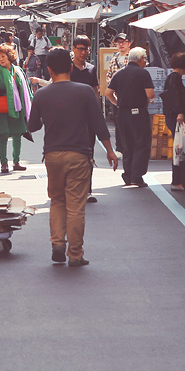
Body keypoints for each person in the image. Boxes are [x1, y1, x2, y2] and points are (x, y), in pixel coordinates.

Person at [27, 47, 118, 267]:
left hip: (52, 155)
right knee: (76, 206)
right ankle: (75, 254)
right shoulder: (85, 91)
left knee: (57, 201)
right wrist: (110, 150)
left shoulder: (41, 94)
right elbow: (99, 124)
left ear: (48, 70)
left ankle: (57, 243)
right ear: (69, 67)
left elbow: (33, 126)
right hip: (79, 154)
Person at [104, 47, 155, 187]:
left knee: (127, 145)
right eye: (145, 58)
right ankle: (136, 176)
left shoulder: (119, 73)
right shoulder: (143, 73)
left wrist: (117, 104)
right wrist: (150, 99)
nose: (146, 62)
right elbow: (150, 94)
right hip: (138, 113)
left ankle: (128, 175)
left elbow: (108, 92)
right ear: (140, 59)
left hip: (122, 114)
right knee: (141, 143)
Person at [0, 43, 31, 173]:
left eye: (3, 56)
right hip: (1, 109)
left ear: (9, 56)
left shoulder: (18, 71)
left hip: (17, 107)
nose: (0, 59)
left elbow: (25, 90)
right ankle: (4, 163)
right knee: (3, 135)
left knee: (18, 134)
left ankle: (16, 161)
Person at [69, 34, 100, 203]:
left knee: (88, 154)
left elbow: (95, 91)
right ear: (73, 49)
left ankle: (87, 190)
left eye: (86, 49)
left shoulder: (91, 69)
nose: (83, 52)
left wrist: (97, 114)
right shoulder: (68, 69)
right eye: (80, 49)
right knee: (72, 155)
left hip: (88, 119)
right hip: (71, 120)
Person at [162, 50, 185, 194]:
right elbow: (175, 97)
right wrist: (180, 112)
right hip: (176, 117)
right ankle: (177, 180)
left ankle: (178, 180)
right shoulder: (175, 78)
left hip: (172, 116)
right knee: (181, 149)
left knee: (180, 148)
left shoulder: (172, 77)